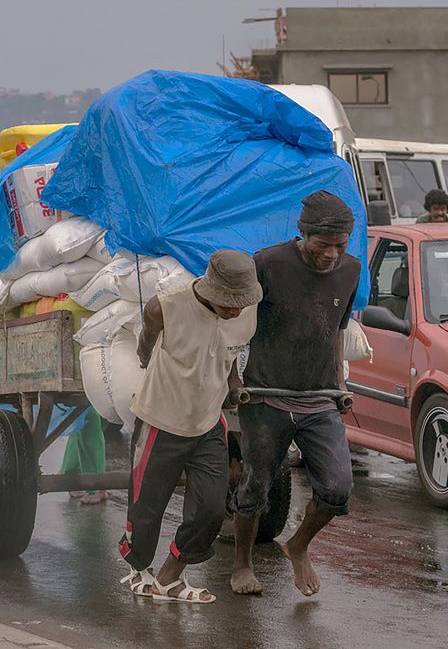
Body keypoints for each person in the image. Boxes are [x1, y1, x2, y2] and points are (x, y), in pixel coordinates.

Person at [231, 190, 361, 597]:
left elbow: (338, 328)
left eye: (340, 246)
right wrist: (234, 381)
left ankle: (299, 545)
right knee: (255, 485)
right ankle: (242, 565)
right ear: (303, 234)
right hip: (267, 395)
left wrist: (339, 382)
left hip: (319, 397)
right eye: (323, 245)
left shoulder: (351, 270)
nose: (331, 255)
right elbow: (234, 324)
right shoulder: (267, 264)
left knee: (338, 487)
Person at [120, 249, 262, 604]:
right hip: (161, 419)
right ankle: (138, 568)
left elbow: (229, 353)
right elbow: (145, 346)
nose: (235, 310)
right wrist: (146, 360)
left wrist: (233, 385)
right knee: (146, 507)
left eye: (240, 303)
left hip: (208, 424)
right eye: (228, 302)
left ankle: (169, 576)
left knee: (212, 509)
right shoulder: (164, 308)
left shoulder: (246, 315)